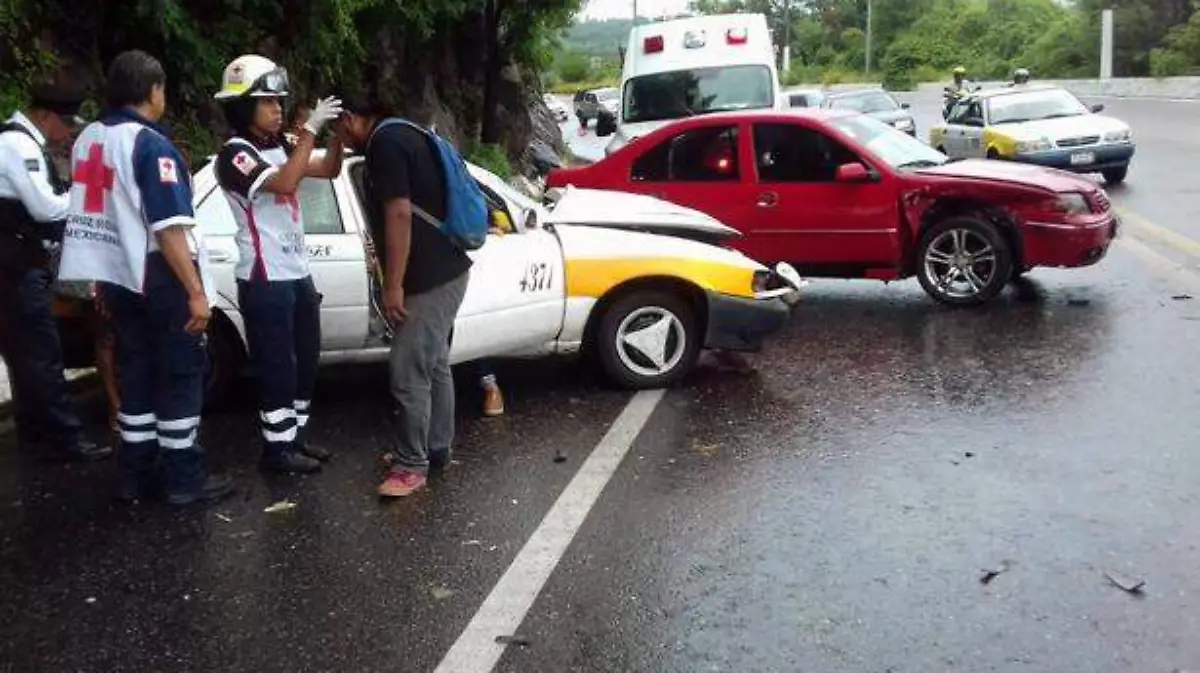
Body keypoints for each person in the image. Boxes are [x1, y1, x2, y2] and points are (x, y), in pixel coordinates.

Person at [57, 50, 232, 505]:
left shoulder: (89, 139)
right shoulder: (150, 145)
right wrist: (195, 292)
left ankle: (135, 475)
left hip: (116, 277)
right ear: (153, 91)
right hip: (158, 275)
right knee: (178, 373)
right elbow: (168, 227)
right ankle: (183, 479)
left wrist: (99, 280)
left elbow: (97, 216)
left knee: (135, 374)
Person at [336, 92, 472, 498]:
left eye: (337, 128)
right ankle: (435, 448)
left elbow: (398, 213)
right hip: (447, 269)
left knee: (408, 370)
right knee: (434, 366)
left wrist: (394, 284)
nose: (338, 139)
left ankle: (412, 465)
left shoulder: (385, 145)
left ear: (350, 118)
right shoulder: (404, 134)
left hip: (429, 279)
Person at [212, 55, 343, 474]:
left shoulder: (282, 145)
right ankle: (276, 451)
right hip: (264, 276)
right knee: (276, 366)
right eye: (267, 101)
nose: (277, 108)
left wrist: (335, 134)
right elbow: (286, 182)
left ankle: (296, 438)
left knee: (306, 361)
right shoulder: (235, 155)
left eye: (279, 101)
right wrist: (309, 130)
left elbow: (328, 169)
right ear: (242, 107)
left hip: (297, 271)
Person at [0, 76, 112, 462]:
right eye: (65, 123)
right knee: (42, 353)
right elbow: (45, 209)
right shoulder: (16, 145)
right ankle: (67, 439)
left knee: (25, 353)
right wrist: (85, 195)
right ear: (44, 115)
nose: (67, 133)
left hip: (17, 264)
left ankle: (35, 433)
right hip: (15, 269)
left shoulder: (23, 142)